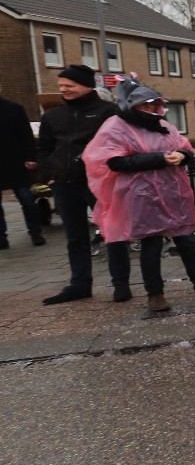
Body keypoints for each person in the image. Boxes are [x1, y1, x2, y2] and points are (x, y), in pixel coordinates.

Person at [82, 76, 195, 316]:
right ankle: (155, 294)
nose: (151, 109)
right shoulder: (116, 127)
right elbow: (115, 161)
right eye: (145, 104)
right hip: (142, 196)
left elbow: (185, 147)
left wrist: (183, 155)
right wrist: (160, 159)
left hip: (174, 193)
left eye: (154, 104)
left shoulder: (163, 125)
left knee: (186, 240)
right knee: (151, 245)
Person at [34, 65, 132, 304]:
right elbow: (44, 148)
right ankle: (80, 284)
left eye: (69, 85)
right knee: (74, 236)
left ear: (87, 86)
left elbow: (120, 143)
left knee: (112, 232)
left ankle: (121, 284)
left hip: (99, 182)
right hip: (64, 183)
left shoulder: (109, 112)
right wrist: (48, 175)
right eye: (61, 85)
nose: (63, 89)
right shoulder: (53, 115)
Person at [0, 84, 46, 249]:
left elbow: (26, 134)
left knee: (27, 199)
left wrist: (30, 157)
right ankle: (1, 238)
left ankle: (35, 232)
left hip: (16, 162)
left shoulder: (14, 109)